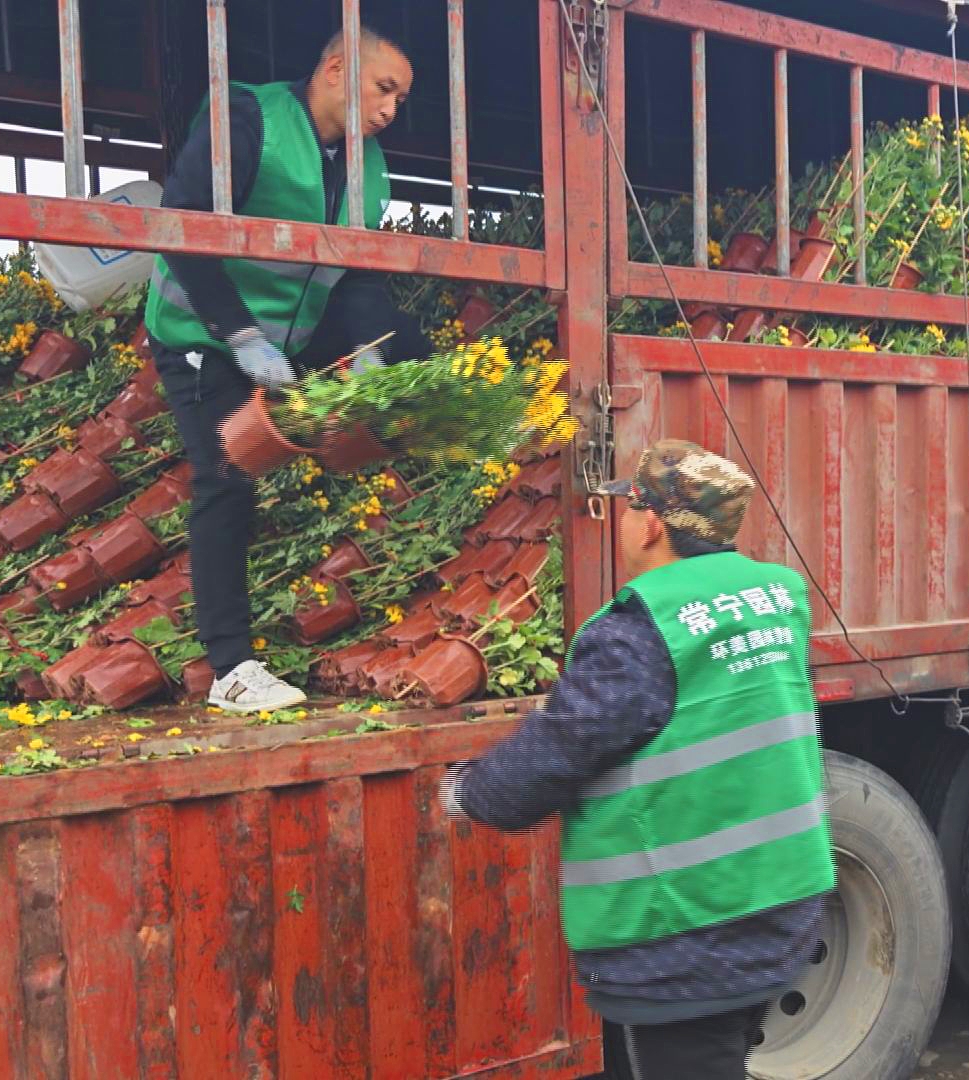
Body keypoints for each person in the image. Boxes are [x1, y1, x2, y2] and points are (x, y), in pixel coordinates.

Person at [440, 439, 834, 1079]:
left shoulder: (641, 627)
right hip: (779, 902)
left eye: (628, 509)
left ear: (651, 524)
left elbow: (568, 743)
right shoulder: (777, 596)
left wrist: (471, 790)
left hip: (683, 930)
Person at [143, 26, 432, 713]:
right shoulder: (249, 121)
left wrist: (371, 353)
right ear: (334, 69)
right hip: (203, 329)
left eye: (400, 98)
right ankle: (231, 670)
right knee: (226, 476)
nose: (390, 110)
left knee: (416, 357)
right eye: (383, 89)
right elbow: (182, 228)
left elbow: (358, 277)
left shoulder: (367, 164)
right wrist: (240, 335)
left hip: (290, 330)